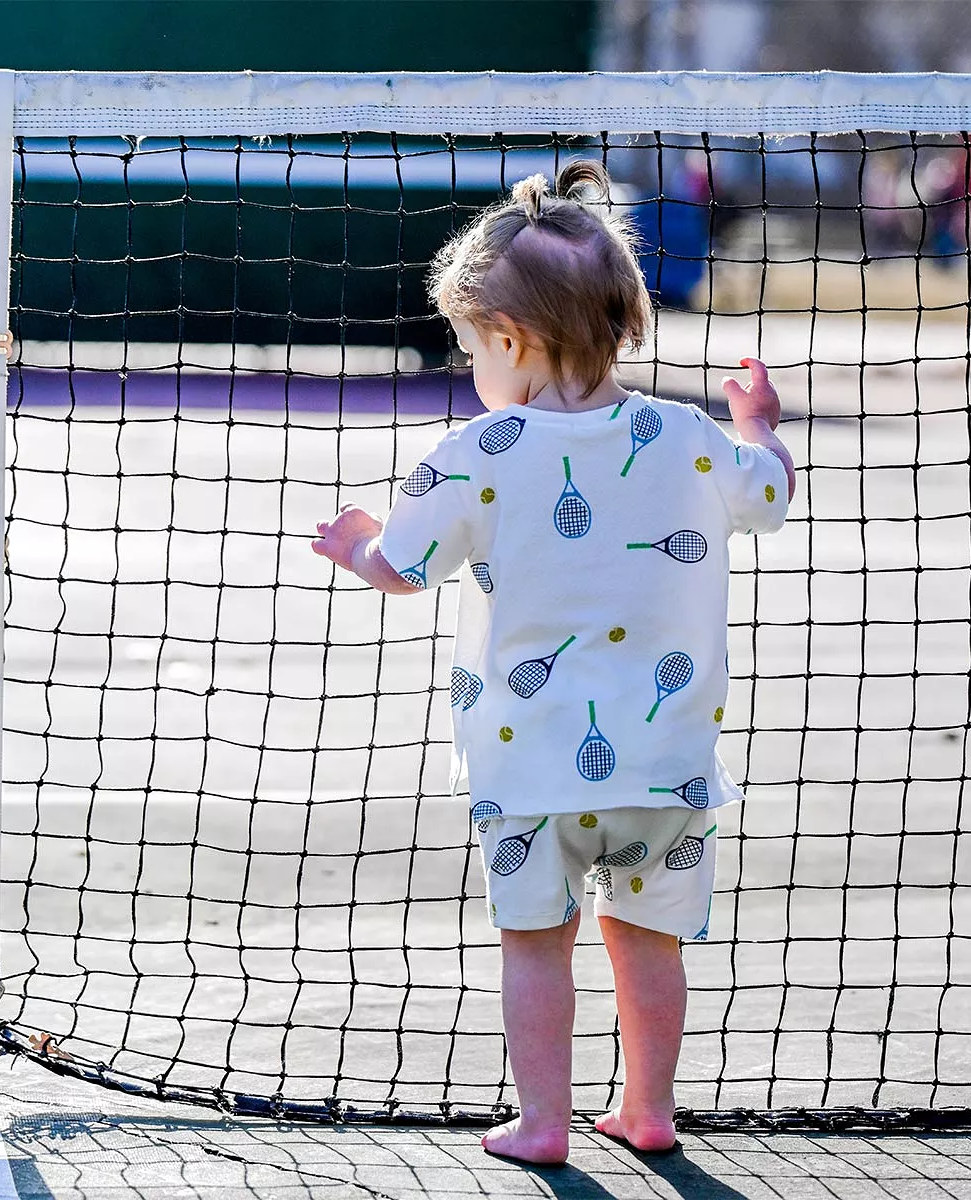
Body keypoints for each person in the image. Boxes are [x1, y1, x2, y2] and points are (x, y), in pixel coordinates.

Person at [311, 161, 796, 1165]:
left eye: (470, 345)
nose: (471, 366)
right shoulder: (693, 439)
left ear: (511, 339)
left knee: (537, 943)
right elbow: (770, 494)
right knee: (647, 941)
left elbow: (403, 568)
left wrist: (355, 543)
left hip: (529, 773)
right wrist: (757, 423)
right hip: (668, 768)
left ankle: (544, 1124)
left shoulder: (472, 452)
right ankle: (649, 1111)